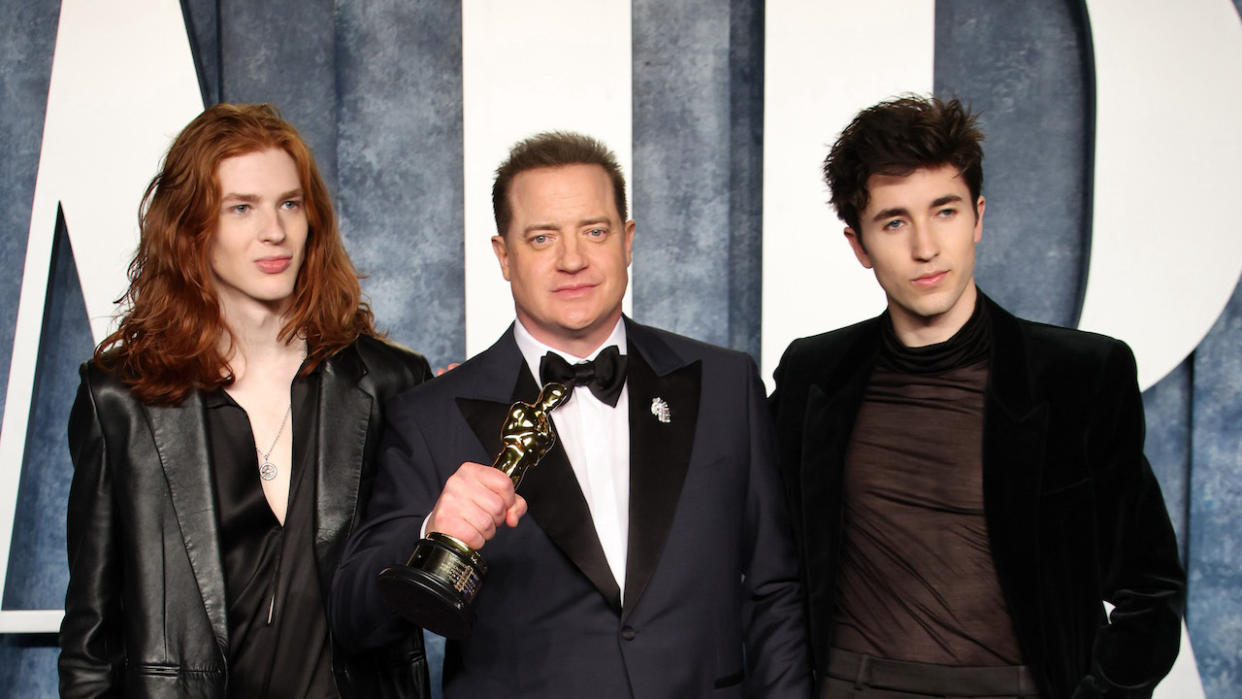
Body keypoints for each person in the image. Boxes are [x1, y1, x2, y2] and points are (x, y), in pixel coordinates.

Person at [332, 131, 810, 698]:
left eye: (595, 231)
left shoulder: (726, 384)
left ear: (627, 241)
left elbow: (774, 591)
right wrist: (429, 533)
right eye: (541, 238)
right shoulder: (430, 414)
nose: (574, 260)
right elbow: (354, 621)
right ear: (504, 256)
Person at [770, 95, 1185, 699]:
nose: (925, 246)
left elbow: (1151, 589)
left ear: (978, 217)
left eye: (945, 211)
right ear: (858, 245)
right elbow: (758, 555)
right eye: (893, 221)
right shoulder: (814, 373)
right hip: (853, 685)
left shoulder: (1078, 378)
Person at [60, 103, 432, 698]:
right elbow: (91, 639)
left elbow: (408, 585)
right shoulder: (123, 397)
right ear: (190, 228)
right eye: (242, 208)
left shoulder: (388, 381)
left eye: (290, 203)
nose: (274, 232)